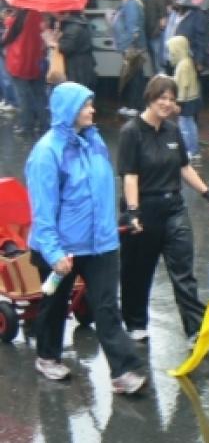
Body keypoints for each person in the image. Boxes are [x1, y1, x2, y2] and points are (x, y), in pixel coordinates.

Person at [25, 82, 146, 393]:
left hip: (100, 245)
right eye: (85, 105)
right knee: (55, 305)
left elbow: (103, 192)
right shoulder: (46, 154)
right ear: (68, 111)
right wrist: (53, 253)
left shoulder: (94, 143)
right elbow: (43, 209)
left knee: (106, 306)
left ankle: (124, 372)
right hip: (61, 249)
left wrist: (119, 224)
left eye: (91, 104)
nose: (92, 109)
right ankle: (47, 356)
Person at [118, 75, 209, 343]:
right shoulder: (131, 132)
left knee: (183, 269)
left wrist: (208, 194)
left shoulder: (172, 131)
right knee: (138, 271)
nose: (167, 103)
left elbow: (184, 167)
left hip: (173, 207)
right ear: (150, 97)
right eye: (162, 97)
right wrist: (134, 211)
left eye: (172, 99)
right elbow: (130, 176)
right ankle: (136, 322)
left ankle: (195, 329)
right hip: (144, 209)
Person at [2, 7, 46, 135]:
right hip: (35, 61)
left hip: (18, 62)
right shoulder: (39, 16)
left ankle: (26, 126)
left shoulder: (16, 19)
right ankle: (44, 124)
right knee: (39, 95)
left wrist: (8, 19)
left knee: (23, 97)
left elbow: (7, 38)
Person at [112, 0, 148, 116]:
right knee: (132, 76)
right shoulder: (127, 4)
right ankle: (132, 105)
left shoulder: (131, 5)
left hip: (132, 47)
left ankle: (136, 106)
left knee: (134, 76)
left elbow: (133, 29)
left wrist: (128, 46)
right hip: (130, 46)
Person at [168, 35, 201, 162]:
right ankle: (192, 149)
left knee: (186, 126)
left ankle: (191, 150)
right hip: (192, 98)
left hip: (186, 100)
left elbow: (183, 85)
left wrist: (177, 102)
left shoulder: (183, 65)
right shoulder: (187, 61)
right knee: (188, 125)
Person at [44, 10, 96, 91]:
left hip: (76, 68)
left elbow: (66, 47)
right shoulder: (79, 23)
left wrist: (51, 43)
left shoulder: (73, 27)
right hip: (82, 65)